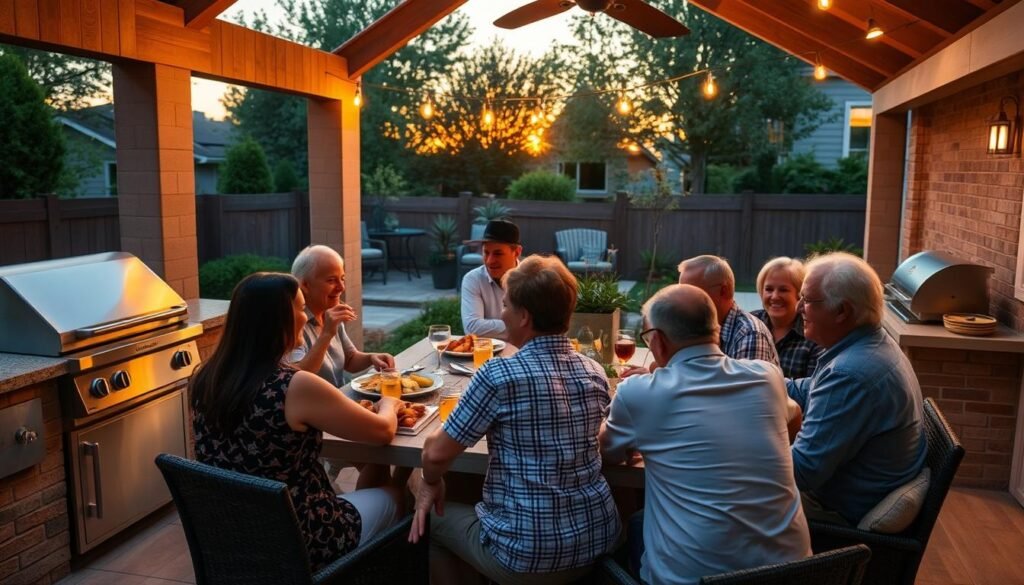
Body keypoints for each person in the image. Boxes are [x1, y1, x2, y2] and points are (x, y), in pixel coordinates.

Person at [410, 255, 620, 585]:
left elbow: (435, 455)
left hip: (526, 555)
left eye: (506, 305)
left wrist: (430, 482)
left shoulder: (498, 375)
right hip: (596, 539)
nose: (501, 314)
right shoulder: (594, 371)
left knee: (428, 516)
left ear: (524, 317)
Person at [190, 272, 405, 570]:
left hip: (235, 534)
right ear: (279, 319)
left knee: (372, 482)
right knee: (398, 496)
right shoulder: (294, 385)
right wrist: (389, 403)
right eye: (301, 308)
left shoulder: (204, 377)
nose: (306, 317)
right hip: (305, 537)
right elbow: (382, 431)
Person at [600, 284, 810, 585]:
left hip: (694, 579)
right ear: (716, 330)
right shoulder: (767, 376)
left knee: (626, 533)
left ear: (657, 340)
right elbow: (795, 413)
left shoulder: (639, 393)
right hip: (796, 572)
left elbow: (606, 452)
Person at [788, 252, 926, 525]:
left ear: (842, 311)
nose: (799, 307)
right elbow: (808, 390)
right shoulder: (870, 344)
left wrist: (736, 450)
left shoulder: (850, 374)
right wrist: (750, 379)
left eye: (808, 300)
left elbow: (802, 471)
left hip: (834, 513)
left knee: (720, 490)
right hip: (850, 492)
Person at [290, 245, 394, 387]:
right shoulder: (294, 323)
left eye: (342, 278)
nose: (341, 287)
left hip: (340, 396)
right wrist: (327, 334)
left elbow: (350, 360)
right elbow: (297, 379)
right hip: (316, 401)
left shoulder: (330, 314)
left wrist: (372, 358)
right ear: (305, 285)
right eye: (331, 280)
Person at [677, 255, 780, 365]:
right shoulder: (692, 327)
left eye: (691, 293)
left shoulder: (749, 334)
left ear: (723, 291)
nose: (683, 301)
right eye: (681, 292)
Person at [751, 257, 823, 379]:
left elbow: (812, 387)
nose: (774, 296)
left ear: (800, 294)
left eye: (783, 290)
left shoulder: (814, 336)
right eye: (769, 289)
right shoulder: (750, 324)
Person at [460, 220, 523, 340]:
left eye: (498, 254)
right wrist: (520, 325)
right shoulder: (473, 279)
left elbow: (542, 326)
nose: (489, 261)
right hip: (486, 351)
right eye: (486, 252)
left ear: (516, 252)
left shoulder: (532, 279)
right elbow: (472, 328)